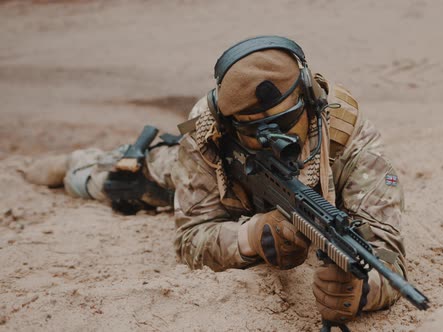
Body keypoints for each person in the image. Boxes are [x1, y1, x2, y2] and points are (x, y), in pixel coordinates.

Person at [23, 36, 408, 325]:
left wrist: (364, 290)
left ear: (309, 97)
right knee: (134, 182)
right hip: (221, 184)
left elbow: (385, 248)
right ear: (229, 124)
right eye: (254, 131)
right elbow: (190, 238)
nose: (273, 143)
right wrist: (252, 235)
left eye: (285, 125)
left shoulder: (351, 138)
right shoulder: (208, 133)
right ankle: (80, 165)